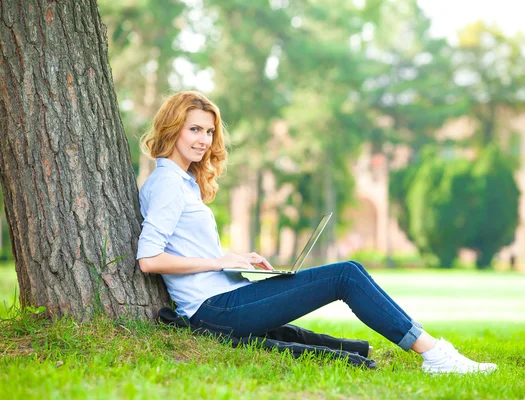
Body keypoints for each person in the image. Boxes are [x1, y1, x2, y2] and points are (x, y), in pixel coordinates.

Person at [137, 91, 497, 374]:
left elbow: (186, 247)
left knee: (344, 277)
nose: (204, 139)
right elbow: (149, 260)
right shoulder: (168, 182)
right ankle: (434, 354)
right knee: (345, 274)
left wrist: (236, 261)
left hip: (226, 297)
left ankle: (429, 350)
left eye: (210, 131)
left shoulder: (181, 181)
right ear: (173, 128)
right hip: (213, 309)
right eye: (195, 129)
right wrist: (219, 262)